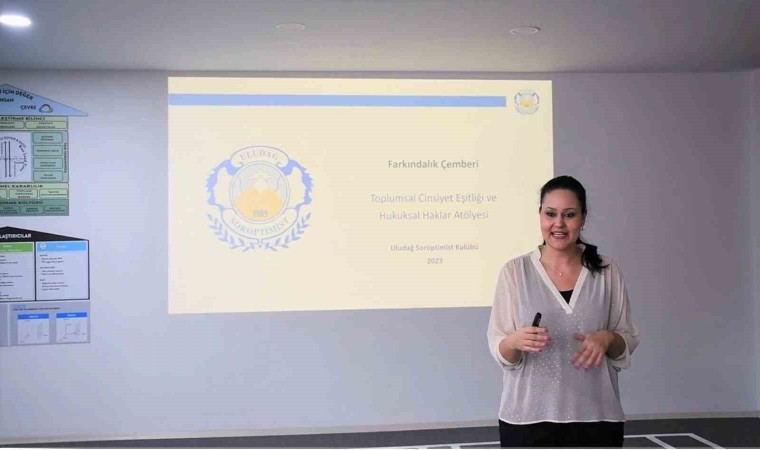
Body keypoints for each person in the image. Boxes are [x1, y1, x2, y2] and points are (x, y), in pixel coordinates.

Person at [487, 175, 639, 448]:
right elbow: (502, 352)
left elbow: (625, 342)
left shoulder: (607, 271)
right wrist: (514, 342)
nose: (558, 223)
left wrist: (607, 338)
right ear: (540, 215)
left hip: (597, 419)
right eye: (550, 214)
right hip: (526, 421)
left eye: (569, 215)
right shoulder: (515, 271)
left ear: (583, 218)